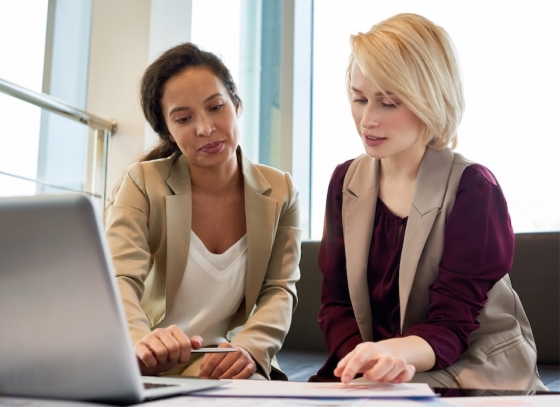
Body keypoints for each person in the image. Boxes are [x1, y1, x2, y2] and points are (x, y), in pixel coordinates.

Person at [315, 13, 546, 390]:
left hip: (469, 366)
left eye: (388, 103)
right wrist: (364, 362)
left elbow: (451, 324)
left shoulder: (474, 189)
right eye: (358, 99)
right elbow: (336, 303)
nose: (366, 120)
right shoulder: (345, 181)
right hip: (388, 371)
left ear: (431, 102)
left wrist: (391, 357)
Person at [105, 43, 301, 380]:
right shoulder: (143, 183)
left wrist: (250, 348)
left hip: (227, 361)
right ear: (167, 130)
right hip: (154, 361)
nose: (205, 128)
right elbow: (119, 278)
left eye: (216, 107)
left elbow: (279, 289)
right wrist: (140, 344)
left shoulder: (281, 190)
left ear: (236, 105)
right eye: (184, 118)